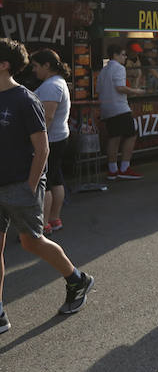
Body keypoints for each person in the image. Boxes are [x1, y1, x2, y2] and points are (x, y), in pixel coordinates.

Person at [0, 38, 94, 335]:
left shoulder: (25, 99)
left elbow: (42, 149)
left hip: (19, 184)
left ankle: (77, 279)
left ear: (4, 65)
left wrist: (30, 187)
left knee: (31, 242)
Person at [30, 49, 71, 235]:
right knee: (55, 179)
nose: (33, 70)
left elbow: (47, 117)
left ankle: (44, 224)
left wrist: (38, 141)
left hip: (50, 139)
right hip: (58, 137)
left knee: (44, 182)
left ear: (47, 65)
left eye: (35, 66)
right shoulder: (57, 82)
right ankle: (54, 219)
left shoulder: (51, 85)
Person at [97, 44, 145, 181]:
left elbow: (99, 90)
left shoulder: (103, 71)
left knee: (114, 137)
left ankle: (112, 169)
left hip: (106, 108)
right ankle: (124, 168)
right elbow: (120, 88)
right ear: (115, 55)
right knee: (131, 134)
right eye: (123, 55)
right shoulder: (119, 68)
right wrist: (137, 91)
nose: (125, 57)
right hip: (119, 107)